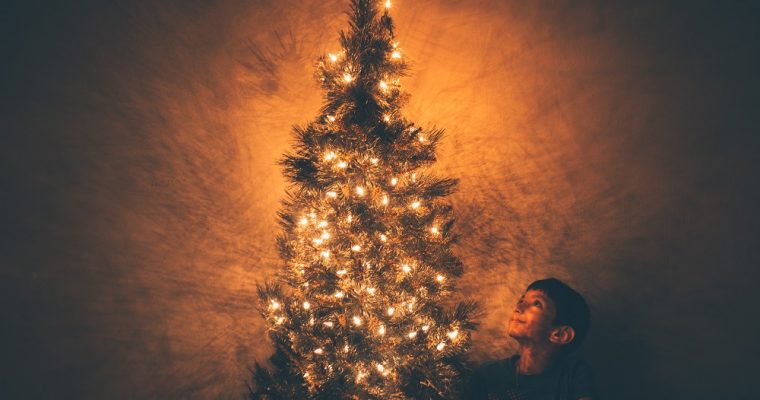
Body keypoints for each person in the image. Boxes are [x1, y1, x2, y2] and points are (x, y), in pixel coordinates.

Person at [466, 278, 597, 400]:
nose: (518, 308)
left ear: (559, 335)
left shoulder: (574, 375)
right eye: (521, 301)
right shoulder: (487, 374)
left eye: (537, 303)